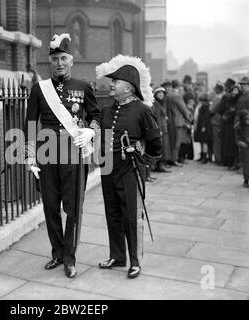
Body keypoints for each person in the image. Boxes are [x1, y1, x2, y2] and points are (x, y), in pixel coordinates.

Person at [24, 34, 101, 278]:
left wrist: (90, 130)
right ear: (50, 61)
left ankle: (70, 257)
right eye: (55, 58)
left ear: (71, 61)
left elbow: (96, 116)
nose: (59, 63)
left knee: (73, 208)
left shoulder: (83, 86)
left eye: (64, 58)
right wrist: (29, 156)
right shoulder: (39, 89)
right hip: (47, 157)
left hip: (73, 156)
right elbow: (30, 123)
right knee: (50, 207)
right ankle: (57, 253)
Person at [95, 55, 162, 279]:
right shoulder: (106, 110)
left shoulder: (142, 110)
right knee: (112, 212)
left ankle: (135, 260)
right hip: (108, 168)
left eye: (116, 81)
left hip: (130, 168)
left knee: (131, 215)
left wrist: (144, 156)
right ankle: (118, 256)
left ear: (129, 87)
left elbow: (154, 140)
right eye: (112, 81)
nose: (111, 84)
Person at [167, 80, 192, 166]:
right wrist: (189, 117)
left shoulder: (168, 94)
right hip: (178, 122)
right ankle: (174, 159)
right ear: (177, 87)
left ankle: (170, 159)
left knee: (171, 141)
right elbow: (183, 109)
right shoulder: (177, 96)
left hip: (170, 121)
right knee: (177, 142)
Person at [153, 87, 171, 172]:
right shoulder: (156, 104)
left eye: (162, 93)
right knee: (162, 147)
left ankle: (161, 165)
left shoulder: (162, 103)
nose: (161, 94)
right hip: (160, 128)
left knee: (164, 147)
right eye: (158, 93)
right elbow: (156, 117)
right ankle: (160, 165)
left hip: (164, 128)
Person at [194, 93, 213, 164]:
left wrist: (203, 126)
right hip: (204, 126)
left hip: (203, 127)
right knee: (203, 141)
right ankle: (203, 156)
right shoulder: (207, 106)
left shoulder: (204, 107)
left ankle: (204, 158)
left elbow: (204, 118)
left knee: (204, 142)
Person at [210, 82, 225, 165]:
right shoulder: (223, 97)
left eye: (215, 88)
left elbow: (212, 110)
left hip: (216, 121)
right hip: (220, 121)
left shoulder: (217, 99)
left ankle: (218, 158)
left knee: (216, 141)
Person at [235, 109, 249, 188]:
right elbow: (237, 139)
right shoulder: (238, 127)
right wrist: (243, 144)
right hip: (245, 148)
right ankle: (246, 180)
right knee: (246, 164)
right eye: (246, 118)